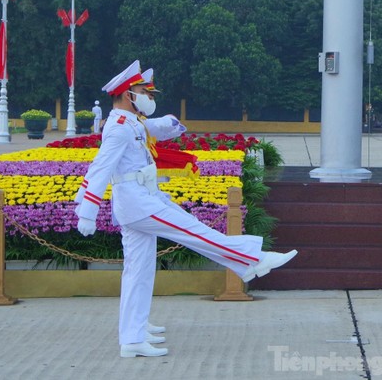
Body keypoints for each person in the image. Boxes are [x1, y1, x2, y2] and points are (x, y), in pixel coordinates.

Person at [74, 60, 297, 358]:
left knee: (138, 271)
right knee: (196, 233)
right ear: (128, 94)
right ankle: (253, 258)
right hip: (138, 203)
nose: (149, 98)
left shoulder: (132, 122)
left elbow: (153, 130)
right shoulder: (117, 127)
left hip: (144, 198)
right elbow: (102, 166)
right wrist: (87, 208)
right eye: (145, 92)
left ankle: (133, 335)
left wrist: (170, 124)